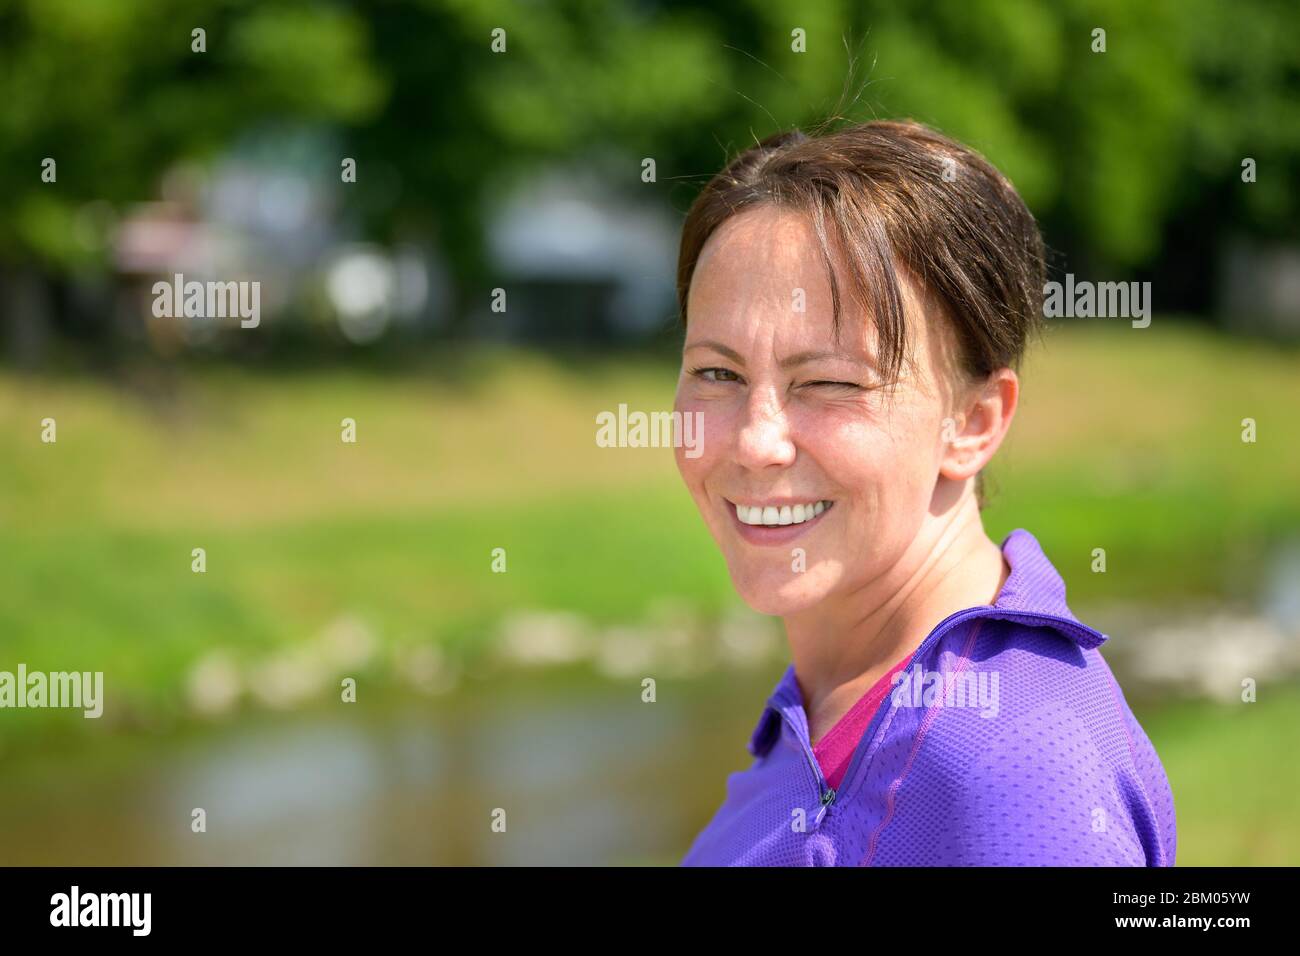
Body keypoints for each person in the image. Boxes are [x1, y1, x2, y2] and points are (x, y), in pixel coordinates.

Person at [673, 119, 1176, 866]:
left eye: (829, 383)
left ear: (973, 422)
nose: (754, 440)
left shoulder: (1020, 765)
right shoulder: (825, 707)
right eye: (718, 373)